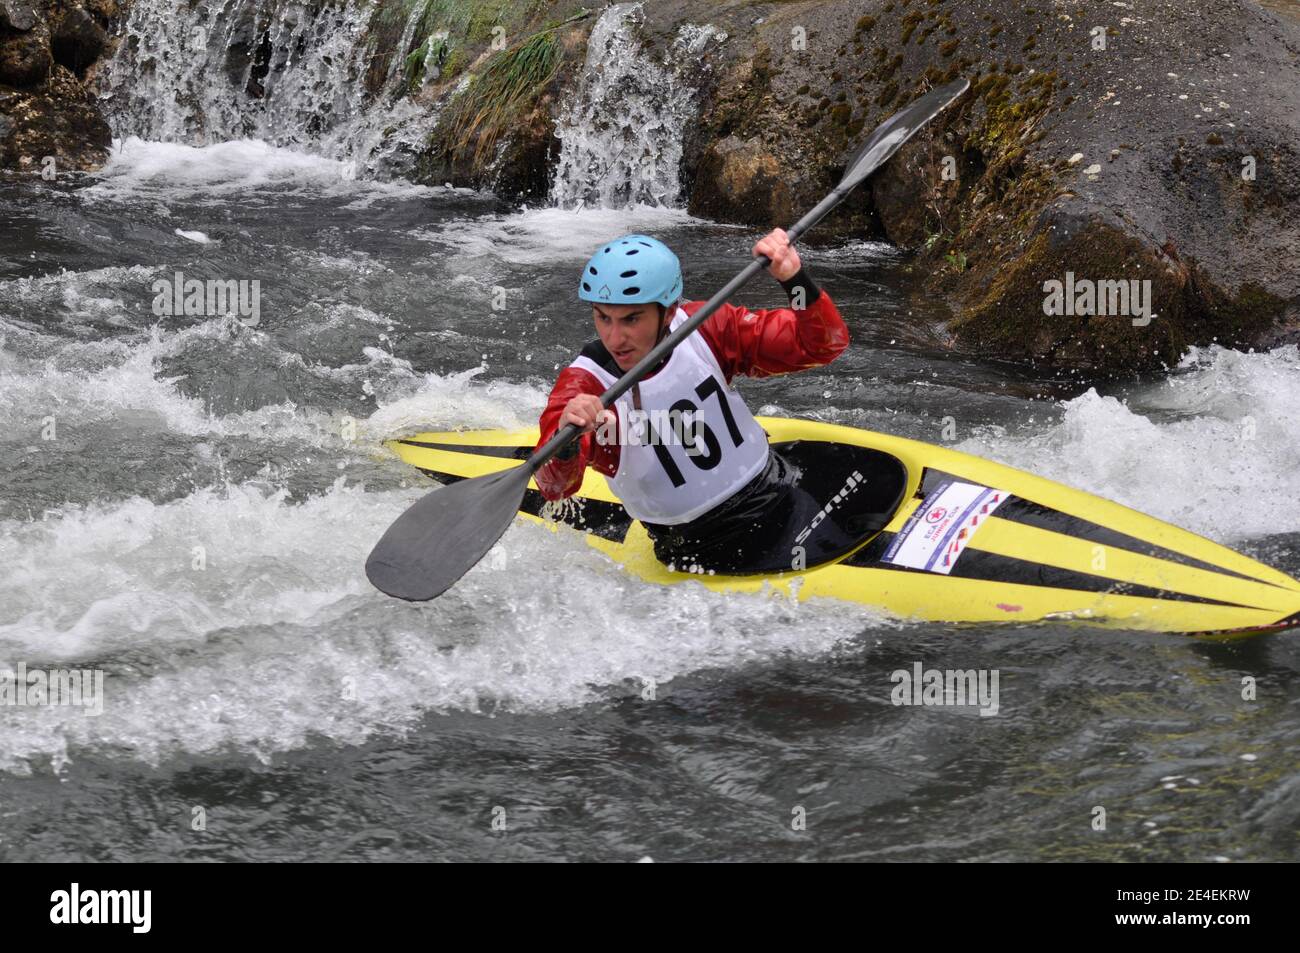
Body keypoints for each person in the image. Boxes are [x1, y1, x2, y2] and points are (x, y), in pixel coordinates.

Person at [533, 230, 849, 572]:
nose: (614, 338)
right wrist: (568, 438)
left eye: (631, 319)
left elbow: (821, 344)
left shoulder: (707, 327)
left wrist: (794, 280)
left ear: (668, 313)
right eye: (603, 317)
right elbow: (554, 486)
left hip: (780, 488)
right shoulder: (584, 385)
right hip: (701, 547)